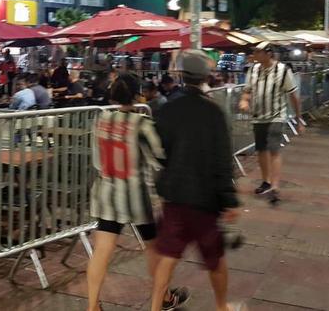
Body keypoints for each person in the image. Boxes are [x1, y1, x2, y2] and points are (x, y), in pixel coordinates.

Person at [150, 50, 242, 311]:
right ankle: (222, 306)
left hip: (175, 196)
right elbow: (222, 161)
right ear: (206, 76)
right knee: (215, 259)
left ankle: (155, 307)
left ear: (180, 76)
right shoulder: (214, 113)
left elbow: (160, 152)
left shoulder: (168, 110)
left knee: (167, 257)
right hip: (205, 199)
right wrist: (230, 200)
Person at [86, 73, 167, 311]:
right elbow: (160, 156)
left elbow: (96, 159)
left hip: (106, 191)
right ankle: (161, 300)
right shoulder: (142, 124)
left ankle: (92, 306)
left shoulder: (100, 119)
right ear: (137, 95)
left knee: (102, 250)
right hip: (134, 195)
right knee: (152, 246)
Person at [238, 42, 303, 199]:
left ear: (268, 53)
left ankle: (275, 185)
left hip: (276, 116)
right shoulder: (253, 70)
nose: (254, 55)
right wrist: (244, 101)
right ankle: (266, 181)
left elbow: (293, 96)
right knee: (261, 149)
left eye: (258, 52)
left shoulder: (282, 70)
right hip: (258, 117)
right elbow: (247, 91)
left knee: (274, 148)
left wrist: (298, 119)